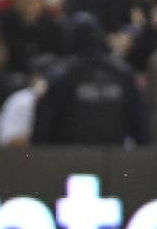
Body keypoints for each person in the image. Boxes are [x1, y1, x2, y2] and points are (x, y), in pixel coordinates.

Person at [33, 13, 148, 145]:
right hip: (115, 161)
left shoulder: (59, 76)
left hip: (68, 161)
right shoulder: (124, 74)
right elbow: (142, 131)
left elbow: (41, 134)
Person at [0, 0, 68, 74]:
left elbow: (63, 58)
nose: (29, 1)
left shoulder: (54, 25)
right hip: (12, 76)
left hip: (48, 78)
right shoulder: (1, 23)